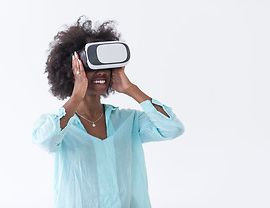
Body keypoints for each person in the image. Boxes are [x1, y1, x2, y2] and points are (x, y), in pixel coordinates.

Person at [32, 17, 185, 208]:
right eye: (92, 66)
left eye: (105, 66)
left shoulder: (129, 122)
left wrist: (131, 89)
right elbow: (44, 140)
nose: (101, 72)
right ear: (73, 69)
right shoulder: (59, 125)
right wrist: (76, 96)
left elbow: (173, 128)